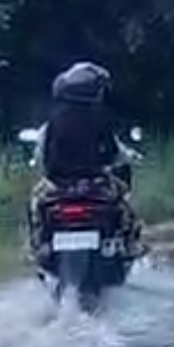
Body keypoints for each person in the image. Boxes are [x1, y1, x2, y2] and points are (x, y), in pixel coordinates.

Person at [28, 62, 142, 269]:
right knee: (124, 203)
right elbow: (113, 153)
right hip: (95, 183)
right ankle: (128, 244)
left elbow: (42, 156)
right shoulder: (100, 119)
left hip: (58, 186)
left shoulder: (53, 122)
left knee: (36, 203)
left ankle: (40, 244)